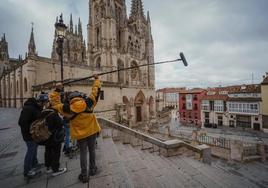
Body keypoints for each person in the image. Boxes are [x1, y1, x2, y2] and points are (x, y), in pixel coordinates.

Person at [54, 74, 101, 183]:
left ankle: (84, 175)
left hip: (80, 135)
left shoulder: (66, 109)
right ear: (80, 97)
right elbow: (96, 91)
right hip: (92, 131)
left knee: (83, 153)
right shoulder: (88, 102)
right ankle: (93, 169)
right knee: (92, 150)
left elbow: (54, 103)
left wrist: (57, 89)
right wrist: (97, 79)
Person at [18, 93, 48, 178]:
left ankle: (34, 164)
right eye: (45, 102)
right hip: (29, 135)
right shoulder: (29, 108)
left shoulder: (37, 108)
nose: (46, 104)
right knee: (31, 151)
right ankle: (27, 171)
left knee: (34, 149)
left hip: (34, 134)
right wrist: (31, 131)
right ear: (41, 102)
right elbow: (21, 122)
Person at [44, 100, 67, 176]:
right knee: (56, 152)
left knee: (48, 151)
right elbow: (60, 123)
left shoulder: (45, 112)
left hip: (47, 136)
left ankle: (48, 167)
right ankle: (56, 169)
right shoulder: (54, 114)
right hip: (54, 137)